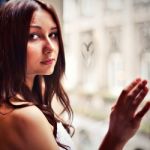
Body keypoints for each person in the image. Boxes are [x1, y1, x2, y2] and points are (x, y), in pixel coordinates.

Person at [0, 0, 149, 150]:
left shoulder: (33, 95)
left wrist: (116, 135)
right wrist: (116, 137)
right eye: (34, 36)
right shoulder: (25, 116)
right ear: (7, 42)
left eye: (53, 34)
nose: (50, 47)